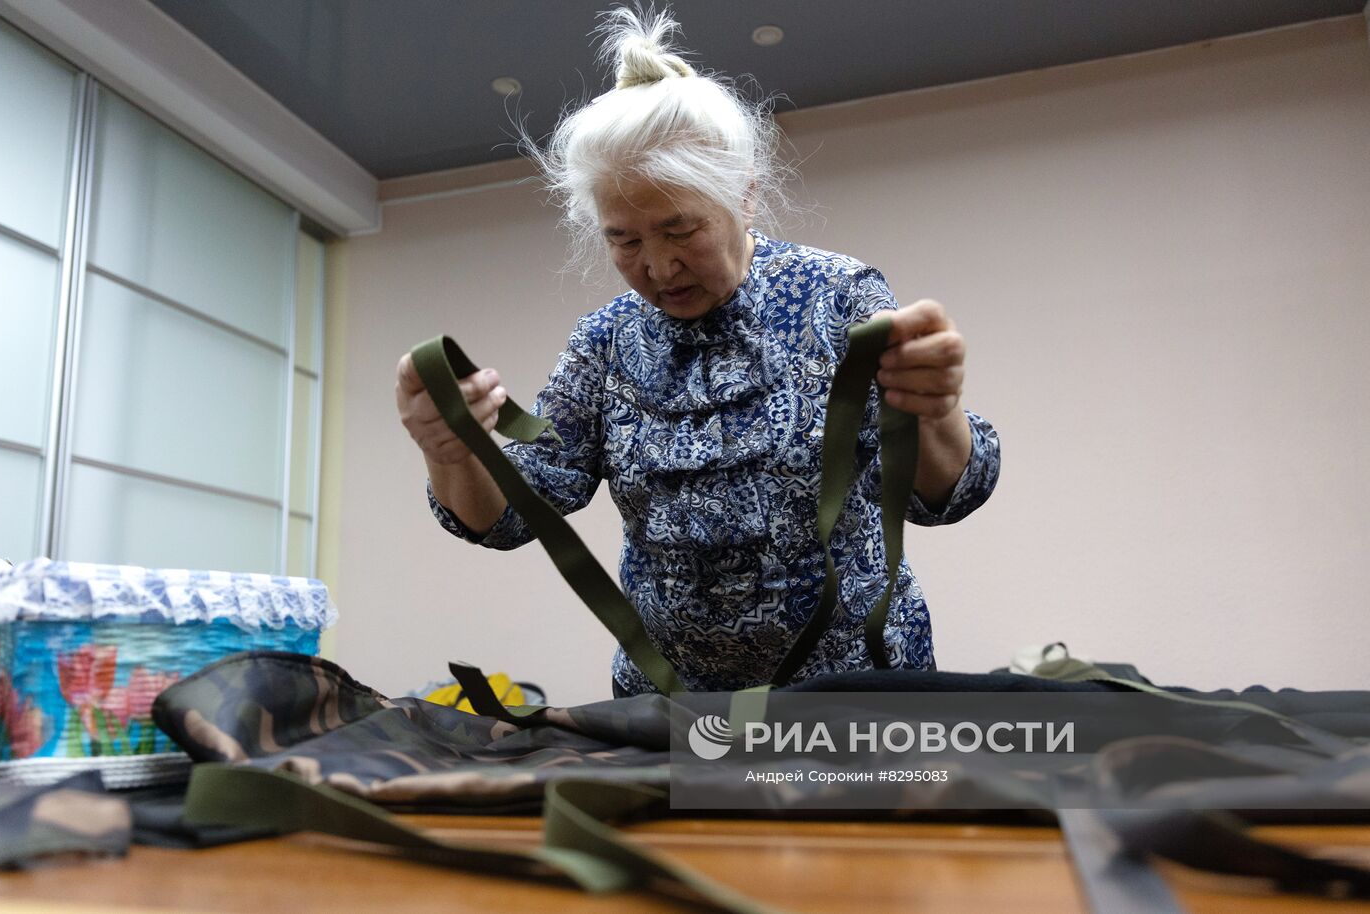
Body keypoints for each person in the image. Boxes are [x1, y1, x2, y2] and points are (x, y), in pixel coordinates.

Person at [396, 7, 1000, 696]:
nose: (656, 265)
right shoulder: (605, 342)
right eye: (623, 240)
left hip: (852, 700)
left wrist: (934, 411)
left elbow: (947, 497)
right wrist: (451, 453)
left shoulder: (838, 296)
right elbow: (505, 515)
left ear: (743, 199)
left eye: (680, 230)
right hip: (675, 714)